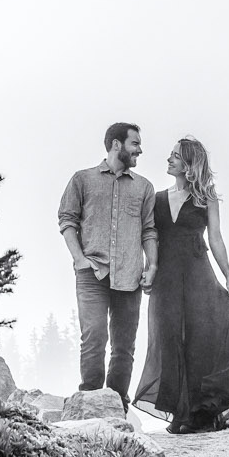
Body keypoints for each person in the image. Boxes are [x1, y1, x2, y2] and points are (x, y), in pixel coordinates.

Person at [134, 135, 229, 433]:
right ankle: (180, 413)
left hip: (198, 274)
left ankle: (201, 414)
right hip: (166, 278)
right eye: (170, 154)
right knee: (167, 337)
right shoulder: (155, 198)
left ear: (189, 164)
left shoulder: (205, 197)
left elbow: (216, 237)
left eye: (175, 156)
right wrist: (149, 269)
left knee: (200, 339)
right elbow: (150, 238)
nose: (168, 159)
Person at [57, 122, 158, 406]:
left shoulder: (144, 188)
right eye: (135, 143)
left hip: (129, 275)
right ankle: (89, 402)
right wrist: (79, 259)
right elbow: (67, 219)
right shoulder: (82, 179)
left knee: (124, 347)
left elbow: (149, 230)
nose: (140, 149)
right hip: (93, 272)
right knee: (94, 337)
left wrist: (152, 266)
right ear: (116, 144)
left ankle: (116, 406)